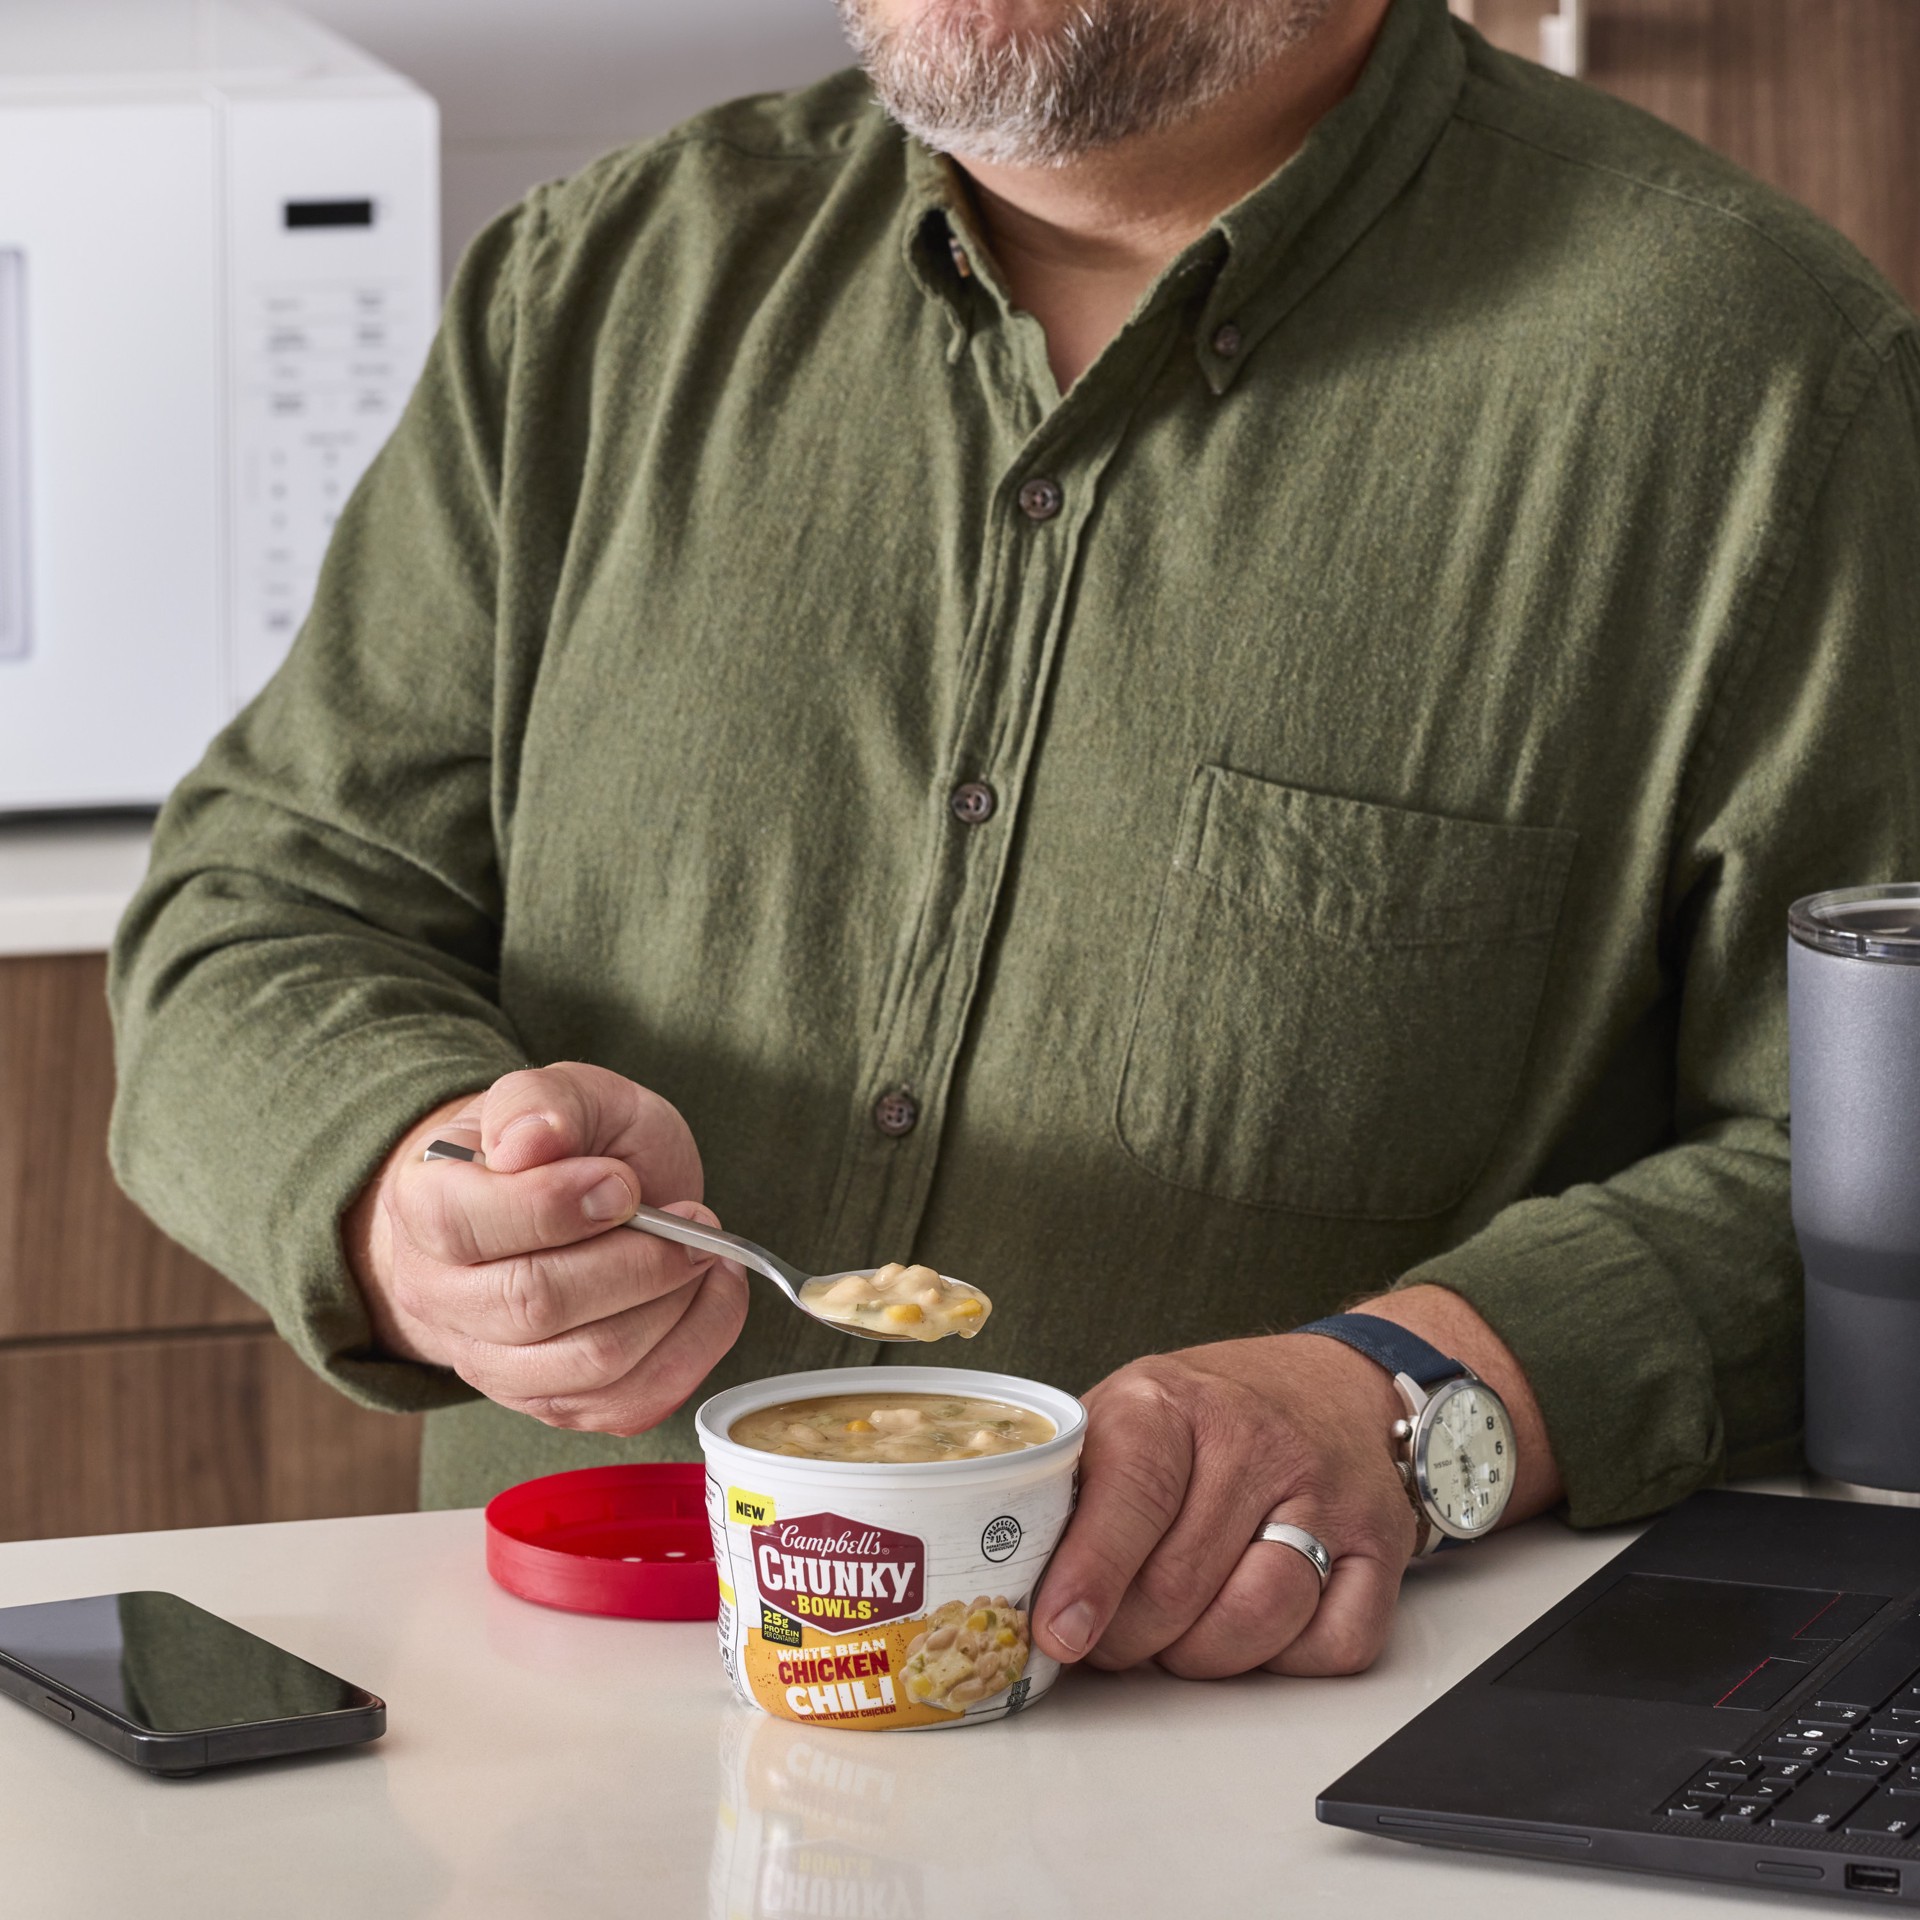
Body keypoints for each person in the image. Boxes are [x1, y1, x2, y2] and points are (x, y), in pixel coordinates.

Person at [109, 0, 1920, 1684]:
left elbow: (1868, 1160)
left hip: (1270, 1785)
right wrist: (410, 1192)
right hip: (552, 1740)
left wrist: (1416, 1388)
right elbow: (259, 912)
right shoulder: (602, 284)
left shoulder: (1763, 387)